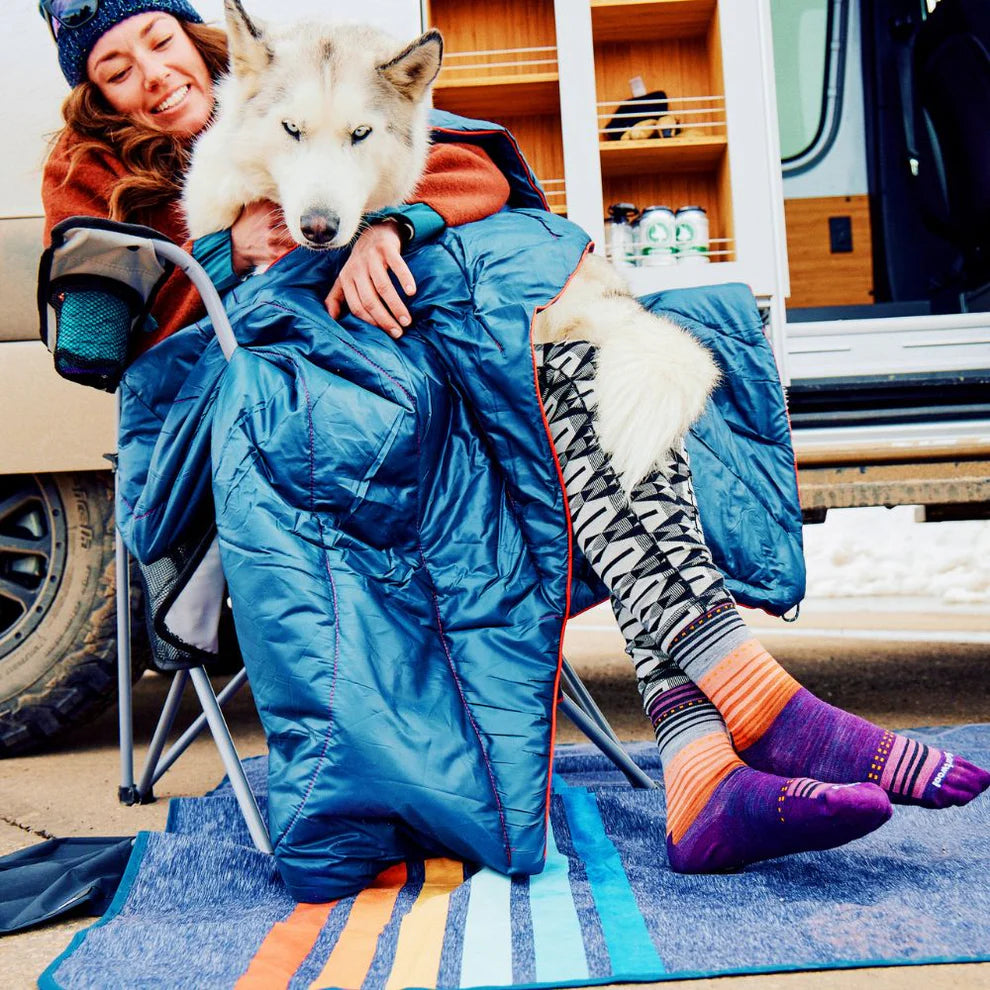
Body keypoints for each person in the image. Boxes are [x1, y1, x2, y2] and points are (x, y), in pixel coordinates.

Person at [40, 0, 989, 877]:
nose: (151, 75)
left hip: (423, 378)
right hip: (287, 416)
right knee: (558, 368)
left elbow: (467, 163)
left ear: (195, 34)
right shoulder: (96, 167)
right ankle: (730, 696)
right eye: (115, 69)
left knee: (576, 364)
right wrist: (222, 254)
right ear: (94, 92)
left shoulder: (303, 79)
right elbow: (97, 349)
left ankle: (703, 754)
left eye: (157, 40)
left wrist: (396, 224)